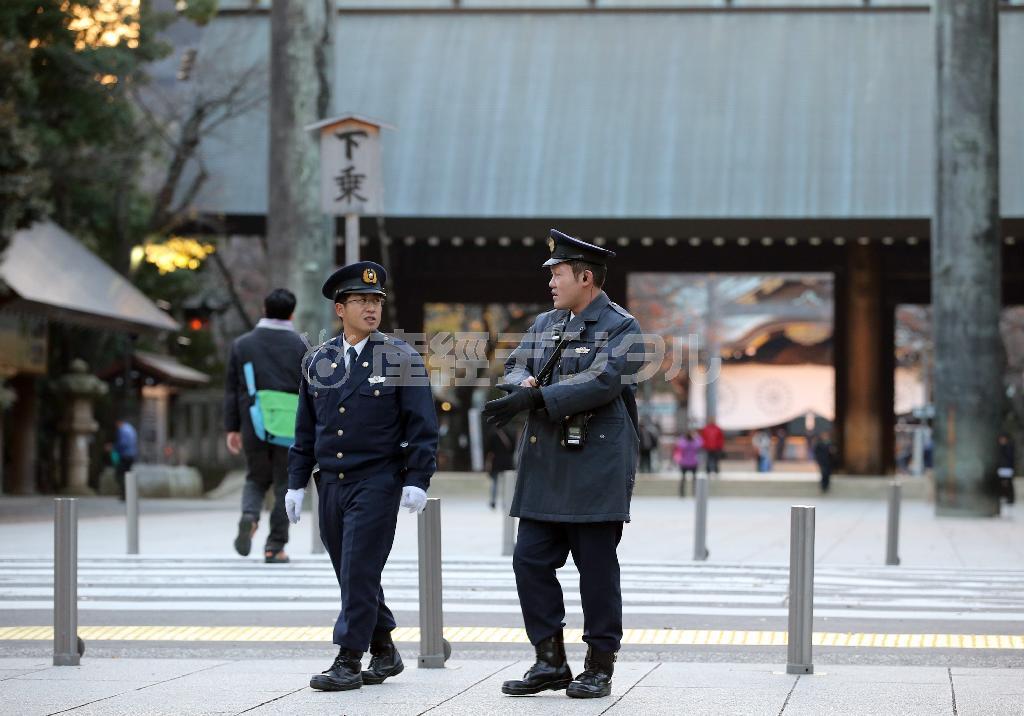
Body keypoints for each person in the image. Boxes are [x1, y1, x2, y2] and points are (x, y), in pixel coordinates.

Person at [482, 229, 642, 700]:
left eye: (558, 273)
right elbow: (514, 364)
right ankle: (549, 659)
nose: (551, 281)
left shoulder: (620, 327)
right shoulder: (546, 323)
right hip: (546, 465)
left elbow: (603, 381)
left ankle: (599, 664)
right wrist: (519, 382)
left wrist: (536, 396)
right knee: (528, 561)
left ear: (586, 277)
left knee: (596, 570)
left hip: (594, 466)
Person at [284, 261, 438, 692]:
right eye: (362, 301)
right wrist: (296, 482)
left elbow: (422, 424)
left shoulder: (399, 357)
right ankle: (385, 649)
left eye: (376, 301)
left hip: (377, 481)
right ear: (340, 308)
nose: (372, 309)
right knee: (352, 571)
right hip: (330, 482)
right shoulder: (319, 359)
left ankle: (348, 658)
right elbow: (305, 427)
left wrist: (417, 478)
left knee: (358, 570)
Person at [223, 288, 307, 564]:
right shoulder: (300, 346)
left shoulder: (243, 344)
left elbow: (233, 390)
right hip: (290, 425)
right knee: (285, 484)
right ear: (292, 313)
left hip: (254, 422)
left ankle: (249, 516)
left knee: (256, 478)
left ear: (263, 309)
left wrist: (232, 428)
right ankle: (274, 547)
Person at [484, 423, 516, 509]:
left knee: (495, 482)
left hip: (496, 461)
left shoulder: (492, 435)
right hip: (507, 461)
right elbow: (512, 448)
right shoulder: (509, 434)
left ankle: (493, 501)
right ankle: (505, 501)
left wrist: (487, 463)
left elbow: (488, 450)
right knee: (506, 483)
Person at [112, 418, 137, 500]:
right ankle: (128, 493)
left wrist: (114, 448)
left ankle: (124, 494)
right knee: (127, 475)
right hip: (131, 455)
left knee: (119, 475)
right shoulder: (131, 428)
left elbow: (123, 443)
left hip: (124, 455)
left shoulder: (123, 430)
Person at [673, 430, 703, 497]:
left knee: (683, 479)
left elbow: (679, 443)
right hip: (693, 463)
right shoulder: (695, 443)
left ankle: (682, 493)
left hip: (684, 463)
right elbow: (700, 443)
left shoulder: (683, 442)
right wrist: (697, 436)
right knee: (693, 479)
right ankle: (694, 493)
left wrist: (683, 436)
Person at [998, 433, 1016, 505]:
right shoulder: (1003, 447)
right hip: (1004, 468)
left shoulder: (1008, 447)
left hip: (1006, 468)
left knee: (1007, 483)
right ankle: (1007, 497)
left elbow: (1009, 459)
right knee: (1004, 483)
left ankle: (1009, 498)